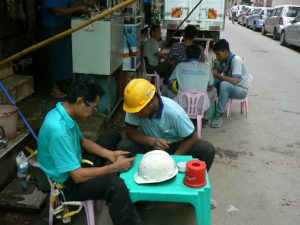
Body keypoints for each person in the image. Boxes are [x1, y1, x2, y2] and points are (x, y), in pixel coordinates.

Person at [37, 76, 141, 225]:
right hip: (67, 184)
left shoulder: (63, 112)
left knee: (113, 135)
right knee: (114, 184)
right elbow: (77, 176)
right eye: (93, 107)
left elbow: (83, 141)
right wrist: (113, 168)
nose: (94, 111)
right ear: (79, 101)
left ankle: (126, 191)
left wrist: (110, 154)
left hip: (76, 163)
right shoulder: (58, 131)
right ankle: (121, 195)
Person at [117, 78, 215, 171]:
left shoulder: (174, 112)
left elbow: (192, 137)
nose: (136, 114)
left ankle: (194, 181)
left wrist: (173, 159)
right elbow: (130, 132)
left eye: (139, 111)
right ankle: (129, 181)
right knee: (124, 146)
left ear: (150, 103)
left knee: (206, 149)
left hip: (174, 146)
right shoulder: (135, 107)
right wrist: (152, 141)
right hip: (149, 145)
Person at [42, 0, 91, 99]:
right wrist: (78, 8)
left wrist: (85, 3)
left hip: (65, 25)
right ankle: (55, 88)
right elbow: (58, 11)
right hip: (53, 28)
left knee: (66, 56)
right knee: (55, 57)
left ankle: (65, 84)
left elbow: (72, 4)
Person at [163, 44, 217, 126]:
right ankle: (205, 119)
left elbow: (170, 82)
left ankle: (169, 117)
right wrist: (201, 89)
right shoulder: (205, 67)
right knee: (214, 90)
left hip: (182, 106)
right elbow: (211, 84)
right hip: (200, 106)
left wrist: (177, 87)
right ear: (199, 55)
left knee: (164, 89)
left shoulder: (180, 66)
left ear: (186, 55)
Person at [211, 39, 250, 128]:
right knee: (212, 81)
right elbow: (216, 72)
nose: (217, 57)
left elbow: (234, 81)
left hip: (240, 90)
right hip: (232, 86)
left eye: (218, 54)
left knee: (224, 85)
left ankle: (219, 115)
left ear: (225, 51)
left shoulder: (236, 60)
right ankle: (208, 109)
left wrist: (217, 75)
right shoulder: (223, 60)